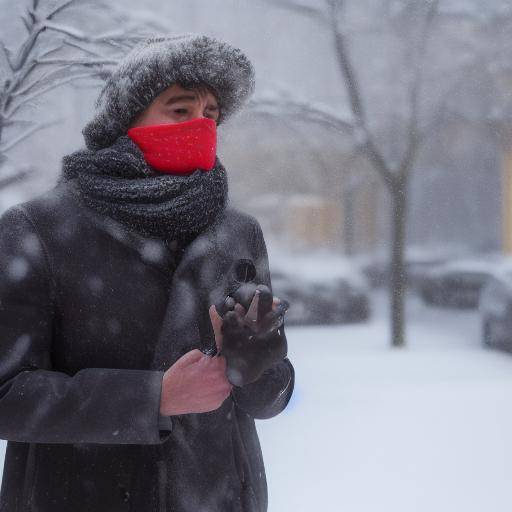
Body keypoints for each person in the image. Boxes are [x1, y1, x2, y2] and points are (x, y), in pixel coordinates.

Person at [0, 35, 294, 512]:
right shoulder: (38, 229)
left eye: (211, 115)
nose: (200, 126)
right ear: (124, 121)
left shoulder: (239, 232)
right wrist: (153, 398)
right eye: (180, 111)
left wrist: (260, 367)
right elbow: (7, 395)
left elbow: (271, 400)